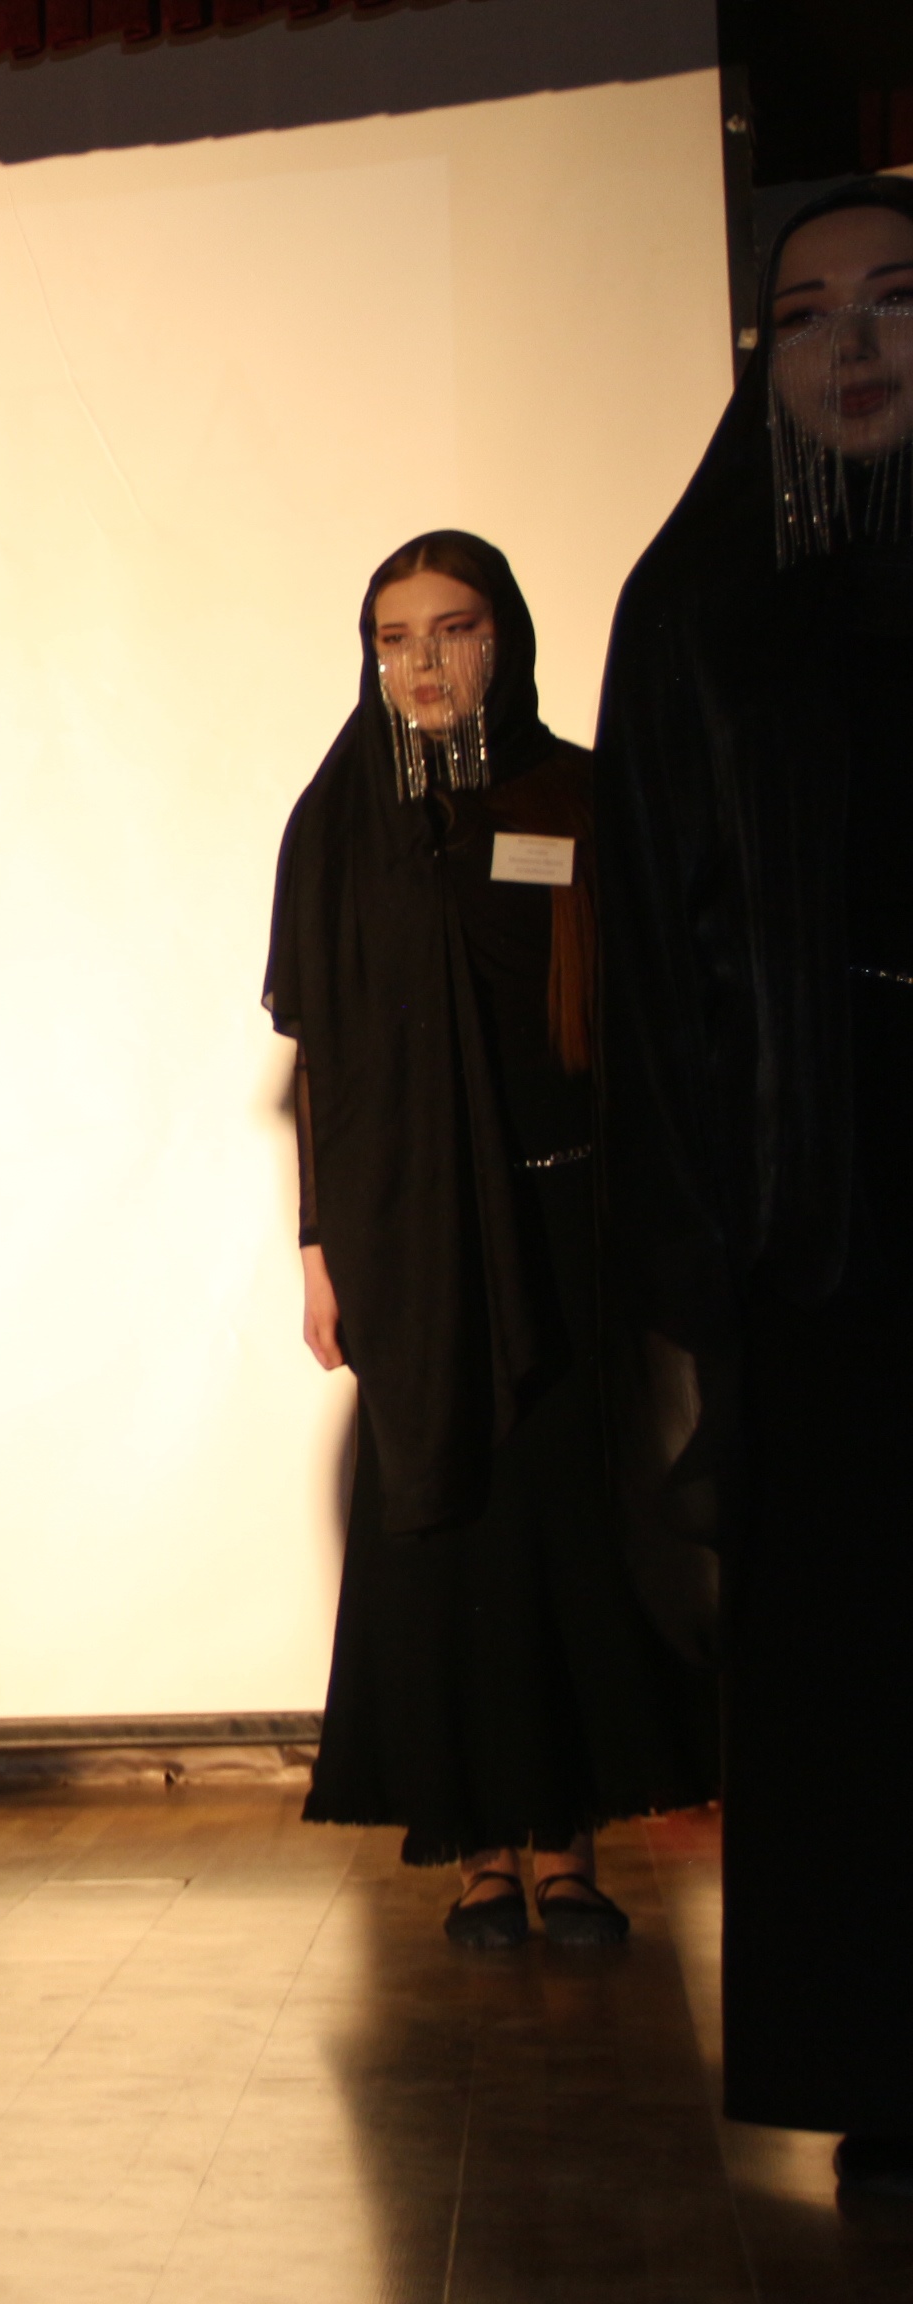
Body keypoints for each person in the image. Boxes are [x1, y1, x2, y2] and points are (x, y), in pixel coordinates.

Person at [594, 178, 913, 2201]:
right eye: (804, 314)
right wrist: (703, 1246)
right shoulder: (704, 602)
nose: (850, 344)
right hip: (829, 1237)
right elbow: (650, 955)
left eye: (893, 300)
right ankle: (894, 2070)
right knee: (864, 1669)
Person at [264, 530, 715, 1951]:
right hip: (409, 1246)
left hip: (567, 1221)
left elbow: (644, 1025)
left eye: (453, 629)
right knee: (447, 1541)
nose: (424, 662)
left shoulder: (573, 794)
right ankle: (475, 1856)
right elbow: (324, 1062)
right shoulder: (339, 822)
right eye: (395, 637)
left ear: (501, 638)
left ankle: (568, 1850)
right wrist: (320, 1250)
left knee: (567, 1536)